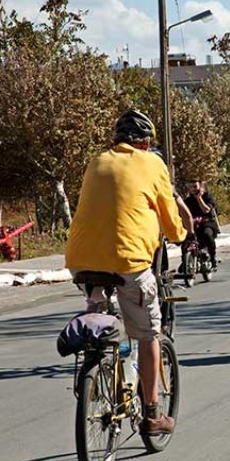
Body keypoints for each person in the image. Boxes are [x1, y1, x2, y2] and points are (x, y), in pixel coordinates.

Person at [65, 109, 188, 436]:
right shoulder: (152, 163)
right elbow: (172, 221)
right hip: (130, 262)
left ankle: (97, 365)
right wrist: (181, 236)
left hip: (81, 262)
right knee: (149, 333)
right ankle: (151, 414)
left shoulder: (96, 162)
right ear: (146, 142)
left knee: (100, 313)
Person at [183, 179, 219, 268]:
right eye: (191, 187)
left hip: (207, 222)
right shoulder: (188, 201)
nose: (193, 189)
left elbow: (206, 210)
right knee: (185, 241)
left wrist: (199, 198)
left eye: (195, 186)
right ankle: (185, 262)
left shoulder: (207, 197)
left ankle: (213, 257)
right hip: (194, 224)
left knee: (207, 234)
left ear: (200, 187)